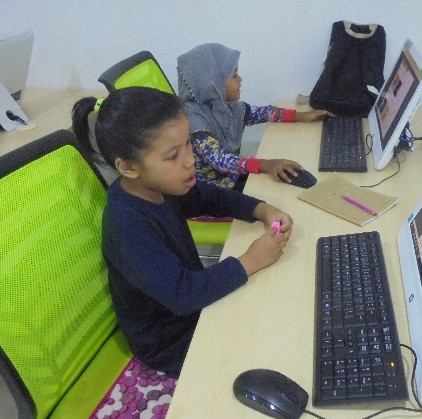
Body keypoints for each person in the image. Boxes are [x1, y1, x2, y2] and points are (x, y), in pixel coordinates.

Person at [72, 86, 293, 376]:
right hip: (170, 340)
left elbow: (209, 197)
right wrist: (251, 259)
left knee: (278, 310)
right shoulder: (128, 225)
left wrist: (262, 210)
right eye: (173, 155)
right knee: (270, 349)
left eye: (188, 143)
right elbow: (183, 294)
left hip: (193, 309)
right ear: (128, 167)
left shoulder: (159, 184)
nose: (190, 160)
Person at [177, 43, 331, 190]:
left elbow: (262, 113)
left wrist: (301, 116)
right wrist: (266, 165)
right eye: (234, 75)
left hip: (231, 179)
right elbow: (220, 160)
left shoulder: (223, 108)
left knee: (275, 185)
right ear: (212, 84)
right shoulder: (194, 121)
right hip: (212, 193)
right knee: (272, 194)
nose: (240, 80)